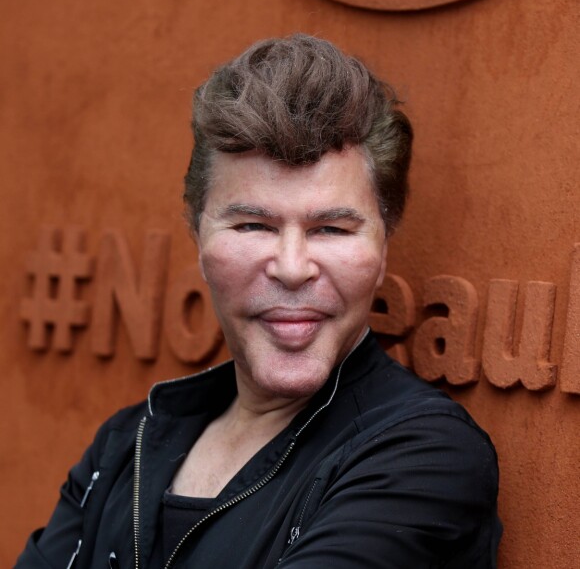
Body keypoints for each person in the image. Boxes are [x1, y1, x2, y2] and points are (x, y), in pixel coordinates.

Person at [17, 34, 502, 568]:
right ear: (198, 236)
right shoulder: (126, 445)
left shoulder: (424, 457)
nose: (293, 268)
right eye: (253, 225)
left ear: (383, 247)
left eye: (333, 230)